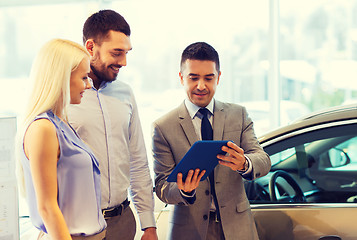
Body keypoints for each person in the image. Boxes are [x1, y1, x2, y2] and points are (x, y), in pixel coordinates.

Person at [152, 42, 271, 240]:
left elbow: (263, 160)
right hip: (189, 230)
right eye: (193, 78)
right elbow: (162, 187)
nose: (201, 86)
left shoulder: (238, 114)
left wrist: (244, 163)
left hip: (237, 228)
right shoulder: (163, 126)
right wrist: (184, 190)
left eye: (209, 78)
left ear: (219, 77)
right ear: (182, 78)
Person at [67, 10, 158, 240]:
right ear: (90, 47)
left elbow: (137, 161)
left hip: (123, 222)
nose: (123, 62)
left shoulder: (125, 93)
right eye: (117, 53)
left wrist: (149, 224)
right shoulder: (64, 96)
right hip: (77, 225)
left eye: (126, 53)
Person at [17, 39, 107, 240]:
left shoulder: (60, 123)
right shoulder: (43, 128)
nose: (89, 85)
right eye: (84, 77)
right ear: (61, 78)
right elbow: (47, 208)